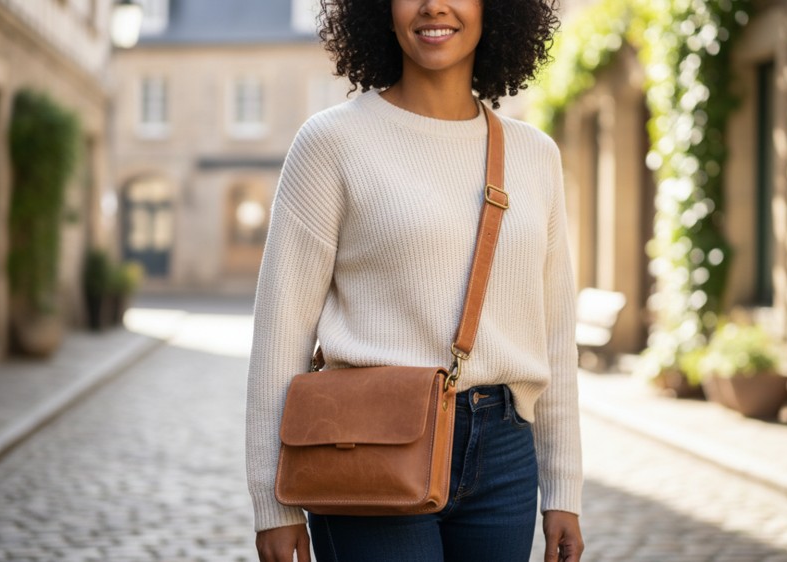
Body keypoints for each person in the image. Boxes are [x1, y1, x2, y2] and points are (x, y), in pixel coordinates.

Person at [245, 0, 583, 560]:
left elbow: (553, 336)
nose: (434, 6)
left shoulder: (534, 156)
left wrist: (563, 490)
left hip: (504, 455)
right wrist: (272, 504)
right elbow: (280, 333)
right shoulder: (331, 142)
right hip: (367, 440)